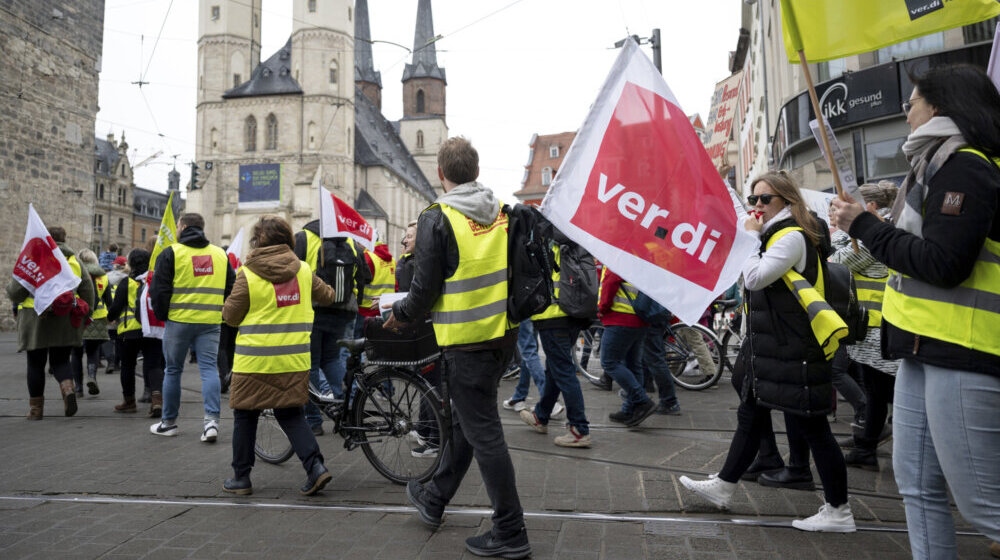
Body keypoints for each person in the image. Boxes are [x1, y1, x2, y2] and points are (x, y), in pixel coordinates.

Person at [830, 64, 1000, 557]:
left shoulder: (966, 165)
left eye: (913, 101)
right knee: (918, 487)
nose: (906, 112)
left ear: (940, 106)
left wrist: (864, 225)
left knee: (983, 504)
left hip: (963, 349)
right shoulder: (933, 165)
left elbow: (944, 264)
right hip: (922, 347)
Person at [681, 171, 855, 532]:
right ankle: (725, 485)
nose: (756, 206)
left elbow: (755, 277)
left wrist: (748, 239)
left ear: (787, 202)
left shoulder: (790, 235)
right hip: (775, 346)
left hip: (795, 347)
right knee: (751, 411)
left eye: (765, 199)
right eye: (753, 198)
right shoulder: (774, 234)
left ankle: (839, 511)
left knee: (814, 427)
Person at [388, 137, 530, 559]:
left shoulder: (438, 217)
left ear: (441, 174)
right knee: (466, 423)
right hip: (502, 338)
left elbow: (424, 287)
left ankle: (510, 530)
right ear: (477, 170)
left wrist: (401, 314)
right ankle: (434, 498)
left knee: (483, 432)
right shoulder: (502, 214)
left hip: (465, 342)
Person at [221, 215, 336, 496]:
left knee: (246, 417)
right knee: (292, 415)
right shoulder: (304, 270)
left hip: (254, 361)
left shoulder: (247, 273)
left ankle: (241, 478)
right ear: (289, 240)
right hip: (293, 359)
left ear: (257, 241)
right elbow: (330, 296)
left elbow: (231, 316)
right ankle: (315, 467)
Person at [828, 182, 900, 471]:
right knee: (877, 390)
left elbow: (839, 261)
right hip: (875, 326)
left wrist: (842, 233)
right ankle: (866, 445)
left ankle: (867, 447)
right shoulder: (883, 227)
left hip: (877, 327)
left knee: (880, 389)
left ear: (868, 206)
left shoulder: (876, 230)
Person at [150, 213, 235, 441]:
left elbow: (159, 291)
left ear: (184, 226)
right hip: (210, 322)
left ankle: (168, 424)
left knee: (173, 370)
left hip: (178, 321)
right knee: (209, 370)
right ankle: (211, 423)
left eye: (178, 225)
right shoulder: (220, 254)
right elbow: (232, 287)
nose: (177, 229)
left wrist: (163, 315)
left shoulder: (172, 253)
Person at [6, 226, 95, 419]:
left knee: (36, 364)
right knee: (61, 360)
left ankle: (36, 411)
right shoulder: (74, 261)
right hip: (65, 318)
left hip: (35, 318)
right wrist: (87, 313)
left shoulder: (33, 258)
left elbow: (16, 292)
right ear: (64, 239)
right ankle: (68, 389)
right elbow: (88, 291)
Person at [293, 217, 371, 436]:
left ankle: (313, 421)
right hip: (343, 311)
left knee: (311, 364)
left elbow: (292, 272)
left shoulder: (304, 238)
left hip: (312, 310)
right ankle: (351, 411)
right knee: (332, 361)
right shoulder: (352, 243)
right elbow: (365, 276)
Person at [518, 231, 592, 447]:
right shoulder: (571, 244)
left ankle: (579, 429)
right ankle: (541, 416)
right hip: (570, 315)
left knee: (564, 371)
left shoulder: (547, 245)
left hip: (552, 317)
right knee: (555, 369)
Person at [107, 249, 164, 417]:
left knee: (127, 366)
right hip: (152, 330)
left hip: (129, 331)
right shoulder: (153, 281)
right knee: (154, 365)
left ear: (131, 264)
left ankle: (129, 402)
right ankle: (157, 401)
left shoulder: (126, 283)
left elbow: (116, 307)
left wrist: (110, 317)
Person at [598, 267, 657, 427]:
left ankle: (642, 401)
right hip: (640, 318)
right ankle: (629, 409)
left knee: (609, 362)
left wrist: (602, 308)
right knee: (633, 364)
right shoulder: (641, 256)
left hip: (620, 318)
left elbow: (610, 281)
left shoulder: (617, 255)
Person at [70, 249, 110, 398]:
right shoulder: (103, 277)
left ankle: (78, 387)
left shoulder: (75, 274)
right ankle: (92, 376)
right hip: (97, 318)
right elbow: (109, 301)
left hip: (77, 317)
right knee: (93, 351)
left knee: (76, 353)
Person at [104, 256, 128, 375]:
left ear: (116, 266)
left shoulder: (106, 277)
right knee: (119, 340)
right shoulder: (127, 278)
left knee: (108, 338)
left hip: (108, 310)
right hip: (123, 312)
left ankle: (110, 362)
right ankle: (117, 363)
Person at [395, 220, 418, 291]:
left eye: (409, 236)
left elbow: (404, 297)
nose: (404, 241)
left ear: (421, 238)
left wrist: (390, 301)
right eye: (405, 237)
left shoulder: (410, 265)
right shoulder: (431, 260)